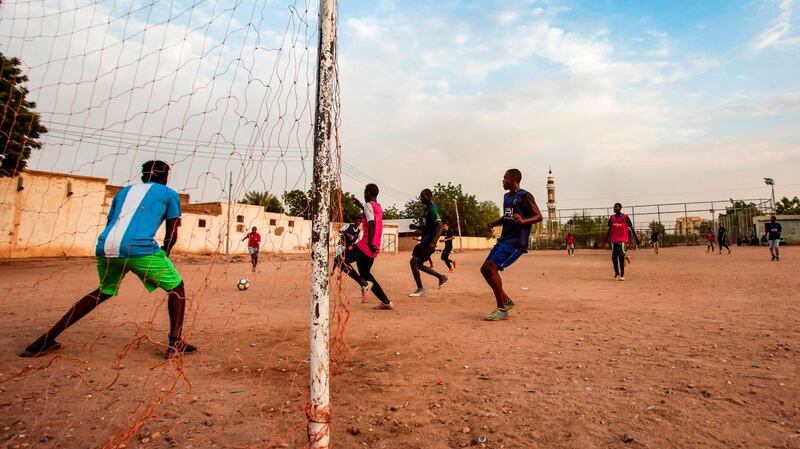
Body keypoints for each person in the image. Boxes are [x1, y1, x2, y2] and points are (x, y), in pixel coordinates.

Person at [21, 161, 196, 358]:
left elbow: (110, 222)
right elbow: (172, 232)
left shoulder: (122, 193)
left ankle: (46, 339)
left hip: (106, 246)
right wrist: (166, 251)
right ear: (165, 177)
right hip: (139, 247)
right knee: (176, 288)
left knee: (102, 291)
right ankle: (175, 343)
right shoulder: (169, 194)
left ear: (142, 176)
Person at [481, 169, 543, 321]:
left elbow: (538, 216)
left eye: (505, 178)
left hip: (517, 241)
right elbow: (508, 216)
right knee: (484, 269)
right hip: (505, 239)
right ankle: (506, 301)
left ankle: (501, 309)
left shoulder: (525, 196)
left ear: (513, 179)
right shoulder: (507, 197)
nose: (502, 181)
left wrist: (523, 220)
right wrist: (495, 222)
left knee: (491, 268)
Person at [338, 185, 393, 309]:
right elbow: (370, 214)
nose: (363, 194)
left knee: (339, 259)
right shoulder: (378, 207)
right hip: (374, 247)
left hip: (366, 245)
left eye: (364, 192)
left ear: (368, 193)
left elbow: (371, 223)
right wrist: (359, 205)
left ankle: (363, 284)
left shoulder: (368, 205)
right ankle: (386, 302)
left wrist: (369, 243)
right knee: (366, 274)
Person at [408, 189, 448, 297]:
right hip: (426, 240)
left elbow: (440, 226)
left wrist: (433, 242)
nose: (421, 198)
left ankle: (421, 289)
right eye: (420, 196)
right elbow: (428, 227)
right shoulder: (426, 209)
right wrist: (416, 227)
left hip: (428, 242)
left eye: (422, 196)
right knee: (418, 264)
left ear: (429, 197)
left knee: (413, 263)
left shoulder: (432, 209)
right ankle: (441, 277)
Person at [605, 203, 639, 281]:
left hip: (623, 239)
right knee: (614, 257)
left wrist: (636, 238)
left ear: (620, 208)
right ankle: (617, 273)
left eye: (616, 207)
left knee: (621, 255)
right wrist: (606, 239)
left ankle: (622, 274)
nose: (614, 208)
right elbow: (609, 229)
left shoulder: (625, 217)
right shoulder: (612, 217)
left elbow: (631, 227)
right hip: (614, 239)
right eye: (614, 207)